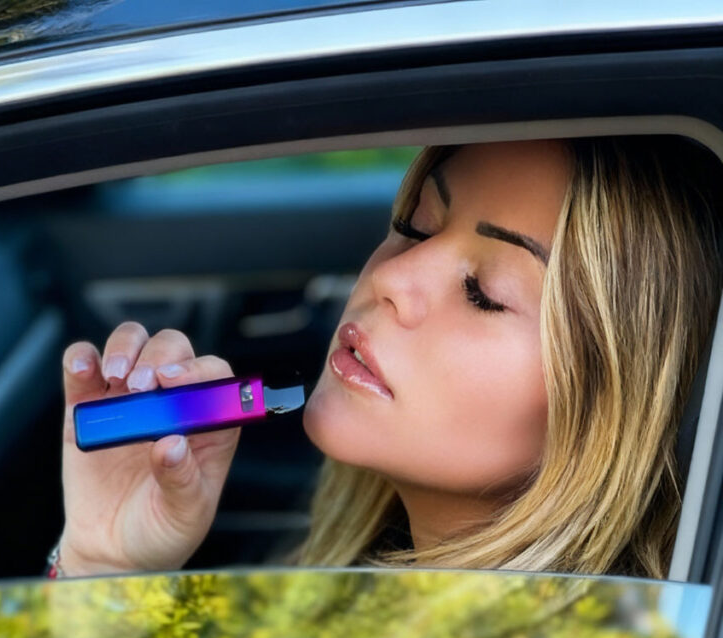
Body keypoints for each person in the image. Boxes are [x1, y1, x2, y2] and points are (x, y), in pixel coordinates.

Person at [56, 137, 723, 580]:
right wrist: (103, 562)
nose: (392, 279)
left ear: (609, 408)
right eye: (419, 224)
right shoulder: (367, 602)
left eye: (483, 293)